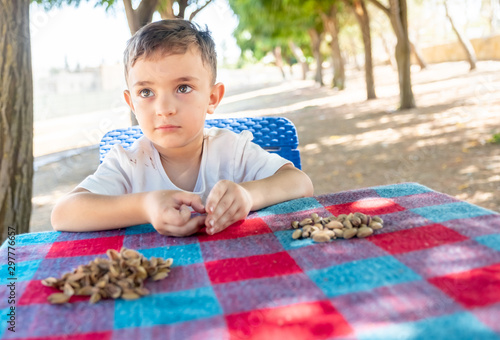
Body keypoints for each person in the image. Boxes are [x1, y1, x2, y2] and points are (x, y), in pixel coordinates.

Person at [51, 19, 314, 237]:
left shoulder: (232, 151)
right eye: (146, 92)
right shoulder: (128, 163)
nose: (164, 108)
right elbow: (63, 213)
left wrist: (248, 194)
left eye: (183, 88)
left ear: (212, 98)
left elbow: (300, 182)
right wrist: (145, 206)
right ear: (131, 103)